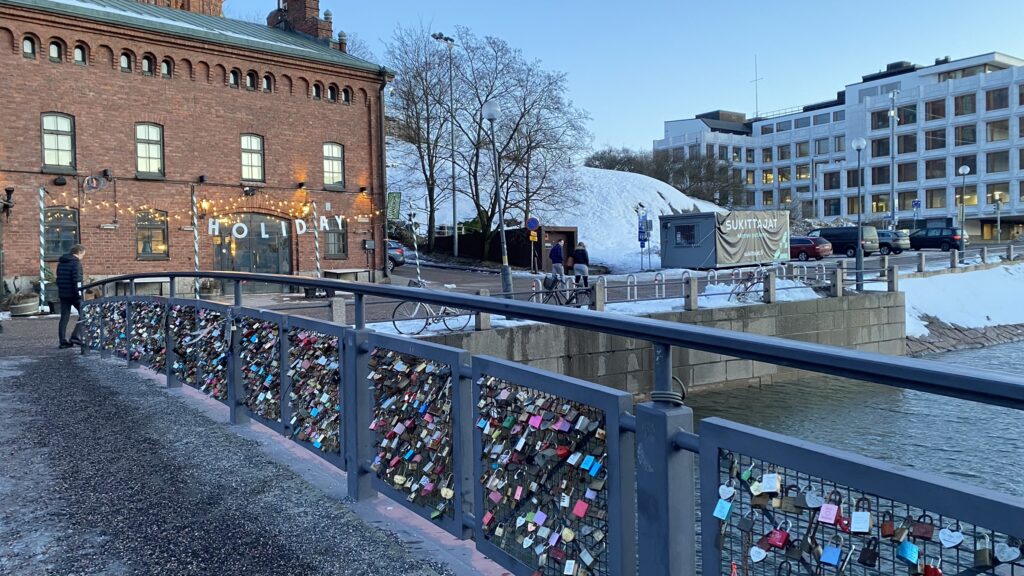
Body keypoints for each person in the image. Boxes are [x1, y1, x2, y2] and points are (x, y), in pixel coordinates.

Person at [56, 244, 85, 349]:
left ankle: (62, 341)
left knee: (64, 317)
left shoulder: (61, 263)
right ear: (79, 253)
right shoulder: (76, 264)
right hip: (74, 294)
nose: (82, 257)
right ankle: (75, 336)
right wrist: (80, 295)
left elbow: (58, 279)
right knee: (85, 312)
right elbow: (77, 281)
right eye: (83, 255)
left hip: (63, 294)